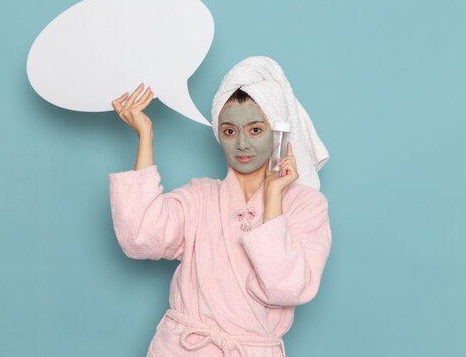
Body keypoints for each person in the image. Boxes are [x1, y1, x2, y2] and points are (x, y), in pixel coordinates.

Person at [109, 56, 331, 357]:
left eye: (255, 130)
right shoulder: (200, 196)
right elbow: (140, 237)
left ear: (278, 133)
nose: (241, 144)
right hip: (184, 348)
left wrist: (274, 194)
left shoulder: (307, 206)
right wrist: (145, 135)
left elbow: (285, 288)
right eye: (229, 131)